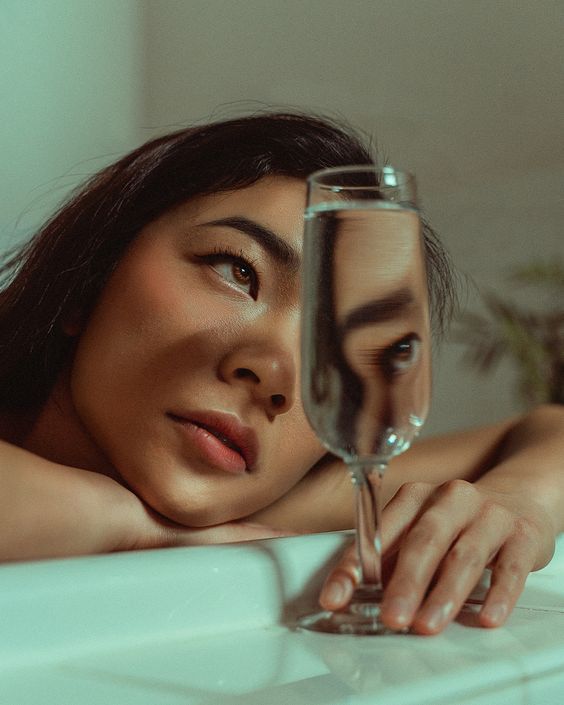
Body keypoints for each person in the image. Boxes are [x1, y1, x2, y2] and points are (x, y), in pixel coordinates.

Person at [0, 112, 562, 636]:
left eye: (336, 336)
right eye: (236, 270)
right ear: (93, 275)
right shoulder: (213, 516)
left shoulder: (262, 505)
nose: (280, 377)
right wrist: (139, 529)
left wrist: (519, 502)